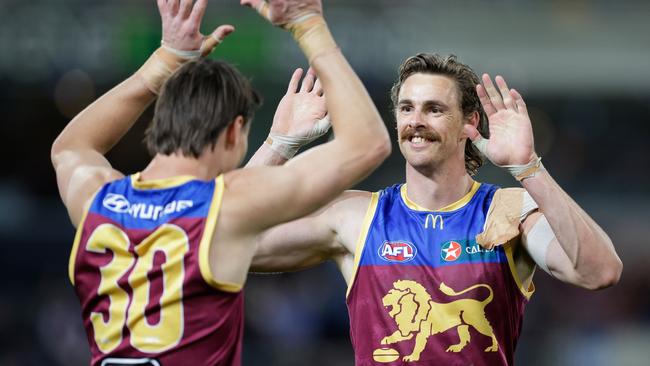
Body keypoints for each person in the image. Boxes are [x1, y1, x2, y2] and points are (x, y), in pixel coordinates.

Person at [50, 0, 391, 365]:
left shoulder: (97, 197)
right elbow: (367, 144)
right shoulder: (223, 208)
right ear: (233, 133)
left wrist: (162, 63)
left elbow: (70, 146)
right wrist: (308, 25)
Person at [248, 52, 623, 365]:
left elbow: (598, 272)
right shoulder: (355, 216)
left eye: (434, 109)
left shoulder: (507, 211)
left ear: (470, 122)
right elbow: (221, 244)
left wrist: (529, 169)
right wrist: (278, 144)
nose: (416, 121)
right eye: (407, 108)